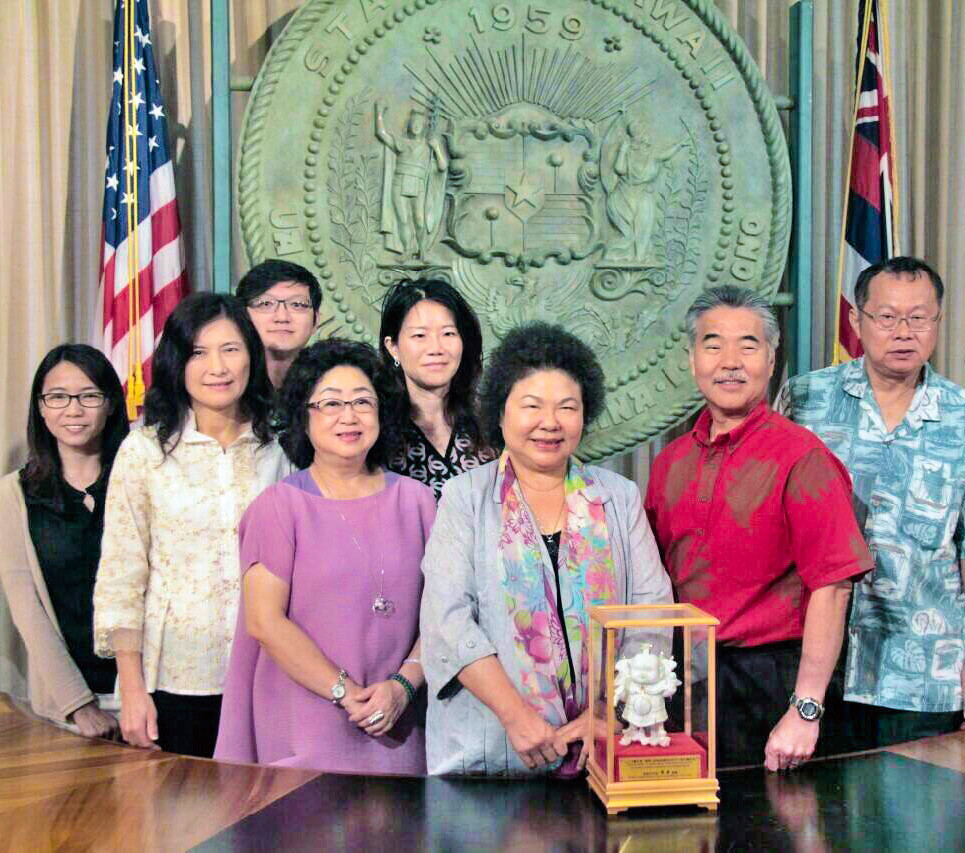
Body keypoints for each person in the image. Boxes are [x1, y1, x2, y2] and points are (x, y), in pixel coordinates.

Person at [420, 322, 673, 776]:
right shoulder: (464, 499)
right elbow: (447, 621)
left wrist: (610, 712)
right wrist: (516, 716)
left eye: (567, 407)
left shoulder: (618, 496)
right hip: (492, 753)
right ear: (500, 414)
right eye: (531, 406)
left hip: (600, 752)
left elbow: (650, 613)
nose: (549, 422)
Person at [645, 285, 874, 771]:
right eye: (713, 345)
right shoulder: (669, 463)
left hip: (774, 684)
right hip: (688, 680)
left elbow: (833, 588)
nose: (730, 361)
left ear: (771, 361)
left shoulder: (802, 457)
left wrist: (805, 708)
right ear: (691, 360)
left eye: (748, 345)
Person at [215, 340, 435, 773]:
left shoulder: (419, 502)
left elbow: (444, 612)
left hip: (401, 726)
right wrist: (344, 690)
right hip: (305, 724)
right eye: (330, 403)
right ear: (303, 414)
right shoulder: (279, 506)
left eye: (362, 402)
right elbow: (265, 622)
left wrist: (404, 686)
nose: (348, 416)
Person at [93, 293, 288, 758]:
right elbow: (122, 575)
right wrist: (133, 689)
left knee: (265, 822)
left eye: (231, 349)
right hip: (175, 679)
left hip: (269, 673)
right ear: (176, 362)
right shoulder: (143, 452)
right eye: (199, 352)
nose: (217, 367)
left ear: (251, 356)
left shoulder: (280, 448)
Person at [779, 257, 964, 745]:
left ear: (937, 321)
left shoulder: (961, 417)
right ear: (857, 320)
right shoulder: (806, 399)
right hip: (811, 670)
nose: (904, 332)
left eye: (919, 317)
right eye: (887, 316)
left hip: (922, 673)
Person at [0, 345, 128, 737]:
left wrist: (138, 691)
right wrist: (78, 704)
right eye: (57, 397)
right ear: (40, 407)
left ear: (110, 405)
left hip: (149, 692)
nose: (73, 410)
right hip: (64, 709)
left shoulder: (139, 480)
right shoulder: (14, 494)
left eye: (89, 396)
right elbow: (26, 607)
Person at [380, 279, 491, 499]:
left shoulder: (492, 425)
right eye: (420, 336)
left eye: (448, 334)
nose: (436, 348)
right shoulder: (375, 429)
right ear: (393, 348)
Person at [236, 259, 322, 389]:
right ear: (242, 315)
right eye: (265, 304)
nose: (282, 317)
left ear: (316, 320)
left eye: (297, 304)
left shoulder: (330, 386)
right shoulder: (225, 383)